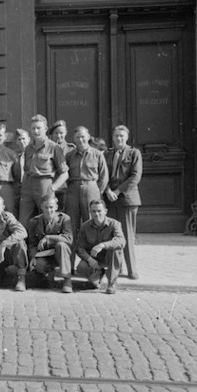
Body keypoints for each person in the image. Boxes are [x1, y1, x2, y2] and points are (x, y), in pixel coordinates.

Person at [64, 126, 109, 262]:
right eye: (78, 137)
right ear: (74, 139)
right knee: (71, 226)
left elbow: (104, 177)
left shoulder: (97, 154)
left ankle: (92, 264)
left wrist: (96, 192)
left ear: (88, 137)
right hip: (73, 190)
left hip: (91, 188)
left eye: (83, 136)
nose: (81, 140)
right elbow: (64, 175)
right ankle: (69, 264)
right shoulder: (70, 155)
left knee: (92, 224)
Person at [104, 125, 142, 280]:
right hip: (110, 199)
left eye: (122, 136)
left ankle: (132, 269)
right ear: (112, 138)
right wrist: (107, 191)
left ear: (127, 137)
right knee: (114, 235)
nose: (119, 139)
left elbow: (135, 176)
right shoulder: (107, 154)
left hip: (126, 199)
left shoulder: (134, 153)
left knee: (127, 234)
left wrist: (118, 191)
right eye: (116, 136)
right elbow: (102, 174)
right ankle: (117, 268)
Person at [19, 115, 68, 228]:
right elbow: (26, 170)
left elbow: (65, 173)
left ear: (45, 129)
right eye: (33, 128)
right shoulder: (28, 148)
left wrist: (53, 187)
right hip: (28, 185)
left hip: (44, 185)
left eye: (39, 128)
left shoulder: (54, 147)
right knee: (24, 221)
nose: (35, 131)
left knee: (46, 220)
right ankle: (26, 245)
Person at [76, 199, 125, 294]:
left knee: (116, 249)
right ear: (90, 212)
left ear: (105, 211)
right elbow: (79, 248)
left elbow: (121, 241)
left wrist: (103, 245)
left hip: (109, 257)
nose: (96, 214)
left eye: (99, 211)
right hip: (94, 258)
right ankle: (98, 274)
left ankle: (112, 283)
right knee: (81, 268)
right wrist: (90, 259)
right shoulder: (85, 227)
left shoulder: (114, 224)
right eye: (93, 211)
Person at [27, 194, 73, 293]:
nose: (49, 210)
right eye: (46, 207)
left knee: (61, 244)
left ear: (56, 207)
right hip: (44, 255)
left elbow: (69, 238)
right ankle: (48, 276)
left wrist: (48, 238)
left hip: (60, 255)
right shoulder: (34, 222)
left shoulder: (64, 219)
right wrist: (33, 256)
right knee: (39, 265)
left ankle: (67, 280)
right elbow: (32, 244)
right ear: (41, 207)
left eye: (51, 207)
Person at [48, 119, 75, 211]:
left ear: (66, 133)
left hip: (66, 189)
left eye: (61, 133)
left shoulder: (72, 150)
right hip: (50, 188)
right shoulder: (47, 148)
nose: (59, 136)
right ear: (51, 134)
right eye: (56, 133)